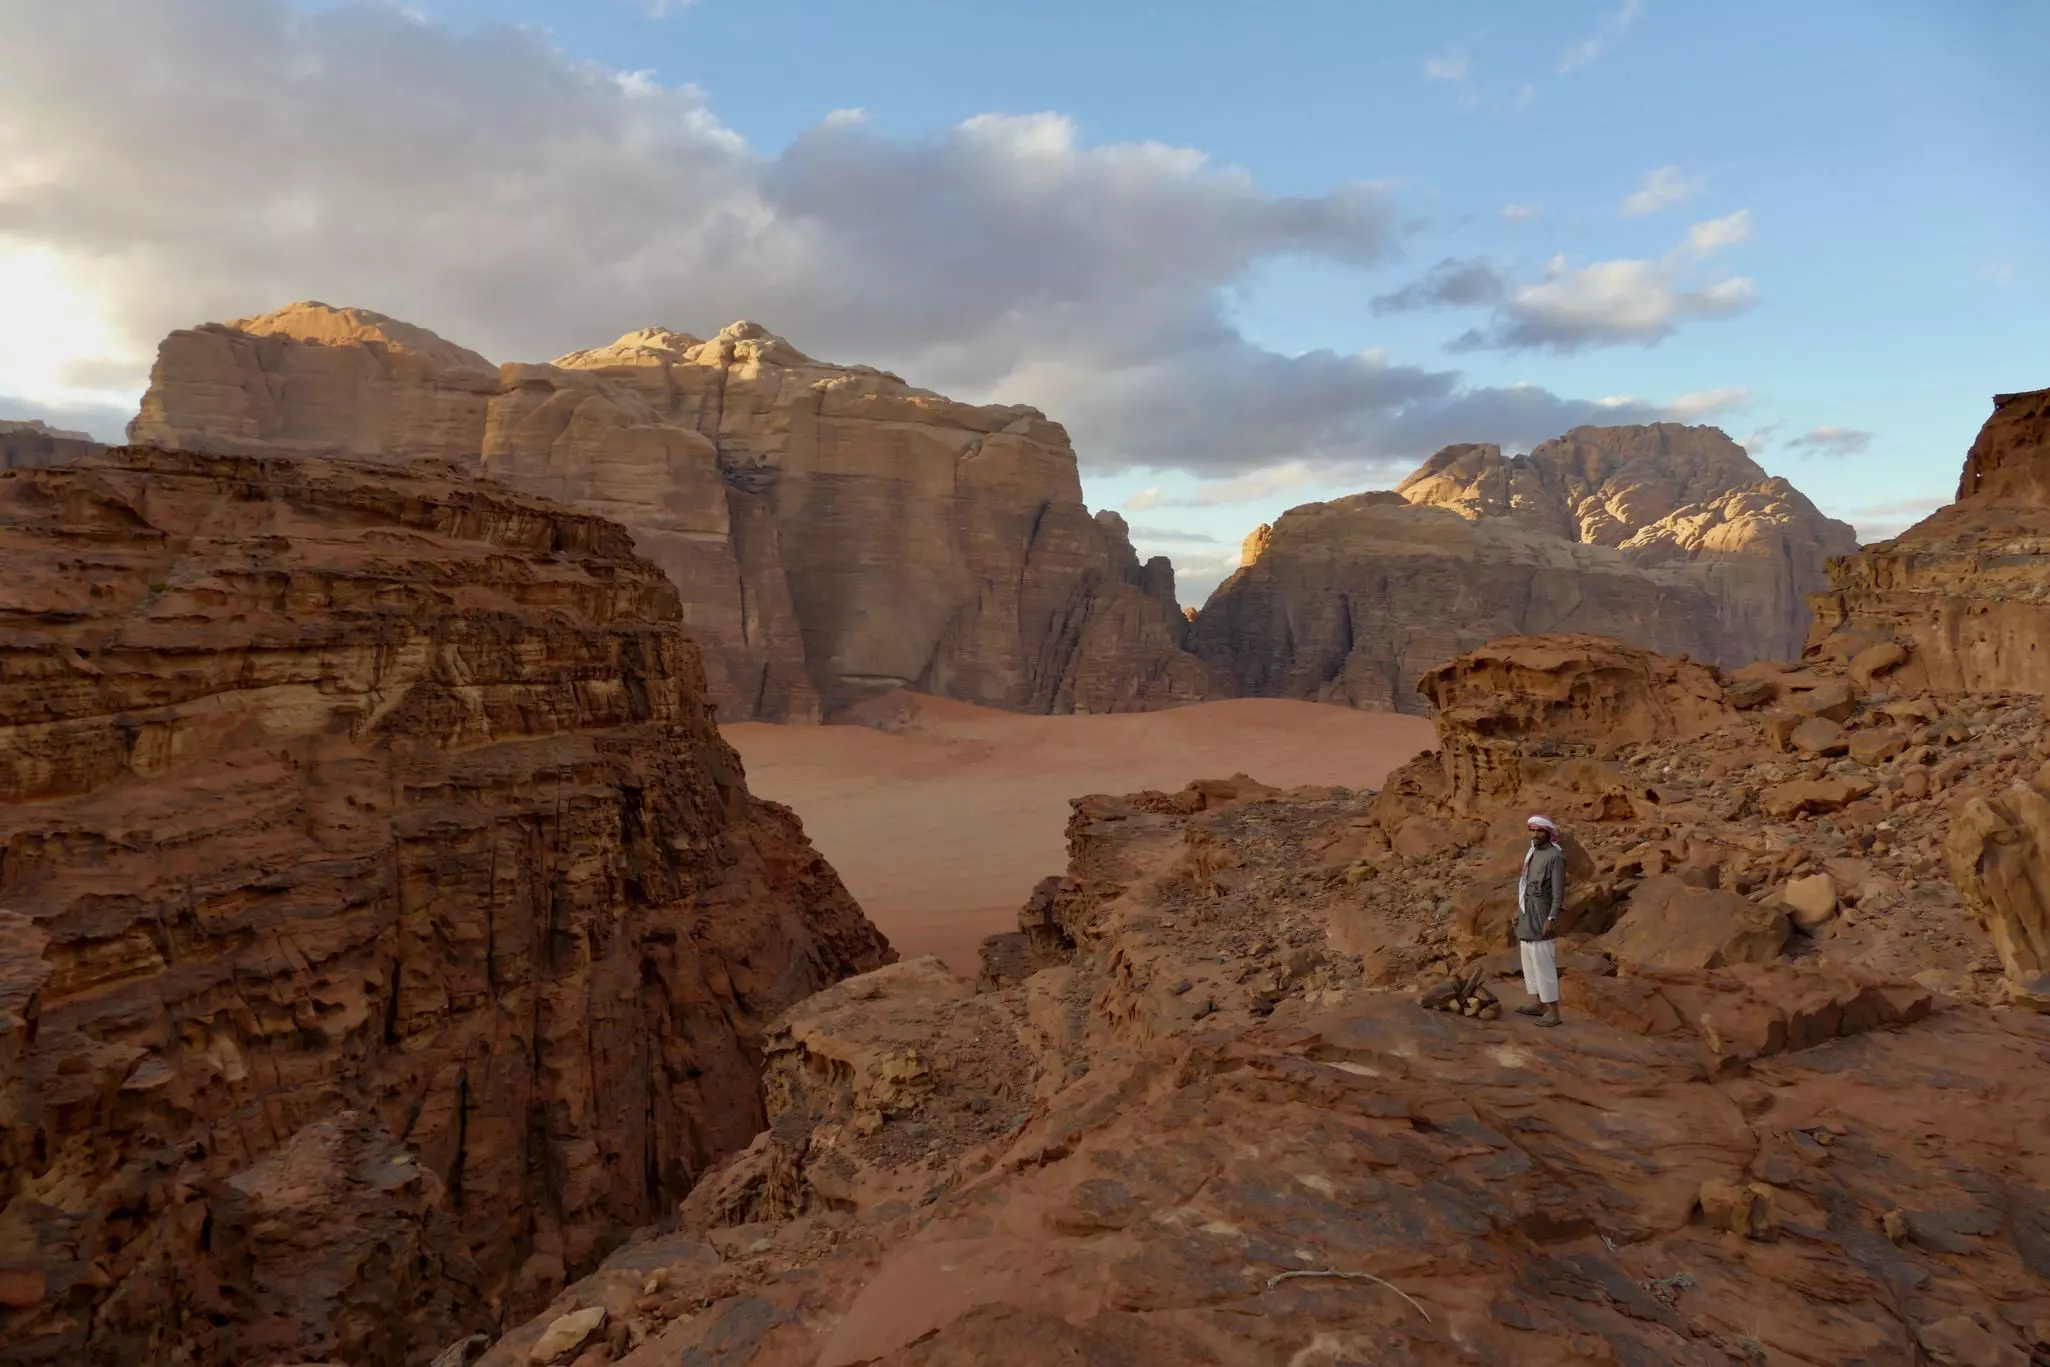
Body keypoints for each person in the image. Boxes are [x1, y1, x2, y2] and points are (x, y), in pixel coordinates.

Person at [1514, 814, 1565, 1027]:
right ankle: (1537, 1003)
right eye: (1533, 831)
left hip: (1542, 912)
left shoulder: (1555, 856)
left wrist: (1552, 916)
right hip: (1528, 910)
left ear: (1548, 833)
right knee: (1528, 955)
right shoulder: (1533, 852)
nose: (1535, 835)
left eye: (1540, 831)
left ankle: (1553, 1012)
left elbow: (1558, 892)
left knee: (1542, 959)